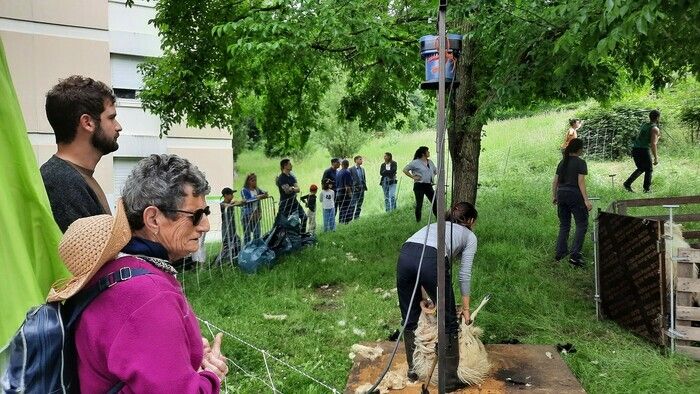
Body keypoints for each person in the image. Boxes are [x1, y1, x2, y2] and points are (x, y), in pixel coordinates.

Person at [47, 154, 228, 392]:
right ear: (153, 218)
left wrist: (183, 353)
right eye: (194, 215)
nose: (204, 225)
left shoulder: (117, 270)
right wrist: (210, 376)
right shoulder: (148, 295)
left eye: (206, 212)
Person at [396, 202, 478, 390]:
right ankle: (449, 381)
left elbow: (419, 256)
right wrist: (465, 310)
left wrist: (425, 297)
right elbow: (464, 275)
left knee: (409, 316)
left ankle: (413, 370)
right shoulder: (469, 236)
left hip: (405, 254)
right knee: (448, 320)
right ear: (471, 220)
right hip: (432, 259)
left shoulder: (432, 226)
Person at [40, 75, 122, 232]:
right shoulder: (62, 183)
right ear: (88, 123)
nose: (118, 127)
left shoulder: (72, 176)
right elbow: (91, 256)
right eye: (111, 118)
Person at [552, 138, 592, 268]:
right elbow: (581, 182)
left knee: (564, 225)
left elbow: (555, 182)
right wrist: (586, 200)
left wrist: (554, 196)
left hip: (561, 194)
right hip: (574, 195)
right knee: (582, 224)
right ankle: (575, 256)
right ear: (579, 149)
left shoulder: (562, 162)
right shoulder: (581, 163)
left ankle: (560, 253)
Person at [623, 110, 661, 193]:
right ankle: (647, 189)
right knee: (649, 169)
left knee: (641, 168)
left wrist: (656, 138)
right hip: (643, 150)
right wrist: (655, 158)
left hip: (635, 149)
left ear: (649, 116)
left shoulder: (644, 125)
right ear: (658, 118)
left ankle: (627, 184)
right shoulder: (655, 129)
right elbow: (653, 144)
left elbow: (642, 138)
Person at [403, 146, 438, 222]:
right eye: (427, 151)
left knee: (435, 202)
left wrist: (432, 176)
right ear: (423, 154)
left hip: (428, 185)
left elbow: (435, 171)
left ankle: (438, 219)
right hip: (419, 185)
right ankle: (418, 221)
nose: (429, 152)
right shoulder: (415, 162)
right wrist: (413, 177)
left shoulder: (430, 162)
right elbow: (405, 170)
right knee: (419, 204)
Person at [276, 158, 307, 231]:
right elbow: (287, 191)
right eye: (290, 164)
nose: (291, 165)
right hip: (285, 203)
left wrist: (292, 188)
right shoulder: (281, 178)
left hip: (294, 201)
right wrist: (293, 188)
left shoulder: (291, 177)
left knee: (304, 217)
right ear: (285, 166)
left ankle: (302, 235)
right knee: (283, 222)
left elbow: (298, 189)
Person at [216, 187, 243, 265]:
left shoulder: (231, 202)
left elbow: (240, 203)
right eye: (231, 194)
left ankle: (234, 260)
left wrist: (240, 202)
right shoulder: (222, 204)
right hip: (226, 229)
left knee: (238, 242)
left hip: (232, 228)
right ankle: (219, 263)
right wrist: (234, 203)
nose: (232, 196)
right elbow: (227, 205)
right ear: (225, 195)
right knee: (226, 247)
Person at [240, 174, 269, 245]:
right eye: (252, 180)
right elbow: (247, 200)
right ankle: (246, 249)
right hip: (247, 215)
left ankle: (255, 248)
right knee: (247, 235)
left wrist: (264, 194)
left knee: (257, 233)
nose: (254, 182)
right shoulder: (244, 190)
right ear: (248, 181)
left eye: (255, 180)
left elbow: (265, 194)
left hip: (256, 214)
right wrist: (258, 197)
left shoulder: (257, 189)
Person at [349, 155, 367, 220]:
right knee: (353, 204)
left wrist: (364, 187)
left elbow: (364, 178)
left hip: (362, 189)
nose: (361, 161)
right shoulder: (351, 169)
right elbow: (350, 180)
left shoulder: (362, 169)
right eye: (360, 159)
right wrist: (353, 187)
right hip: (355, 190)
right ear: (356, 160)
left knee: (359, 204)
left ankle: (357, 217)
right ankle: (350, 218)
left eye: (361, 159)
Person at [336, 159, 354, 224]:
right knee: (347, 208)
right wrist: (350, 194)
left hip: (338, 193)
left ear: (342, 165)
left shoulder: (338, 172)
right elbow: (347, 186)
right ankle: (346, 223)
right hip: (344, 193)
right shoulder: (347, 172)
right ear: (348, 165)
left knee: (341, 208)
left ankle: (341, 222)